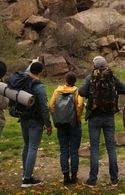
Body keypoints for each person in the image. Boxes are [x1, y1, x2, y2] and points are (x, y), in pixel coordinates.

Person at [78, 56, 125, 187]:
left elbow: (81, 92)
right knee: (111, 147)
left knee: (94, 148)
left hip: (94, 116)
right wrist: (114, 93)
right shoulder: (113, 76)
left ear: (94, 66)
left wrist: (92, 94)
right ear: (106, 65)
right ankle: (114, 179)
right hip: (109, 116)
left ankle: (93, 180)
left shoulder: (91, 77)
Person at [20, 58, 53, 188]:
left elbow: (27, 71)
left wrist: (32, 63)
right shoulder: (39, 87)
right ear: (42, 72)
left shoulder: (24, 80)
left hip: (23, 118)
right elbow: (44, 108)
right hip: (36, 121)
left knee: (26, 145)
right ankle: (27, 179)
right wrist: (48, 124)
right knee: (33, 147)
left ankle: (25, 174)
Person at [49, 71, 84, 185]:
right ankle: (74, 176)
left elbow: (51, 105)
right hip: (74, 124)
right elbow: (80, 105)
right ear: (75, 81)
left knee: (64, 150)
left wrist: (57, 117)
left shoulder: (57, 91)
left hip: (61, 124)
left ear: (65, 80)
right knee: (74, 150)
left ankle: (65, 176)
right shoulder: (77, 91)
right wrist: (77, 117)